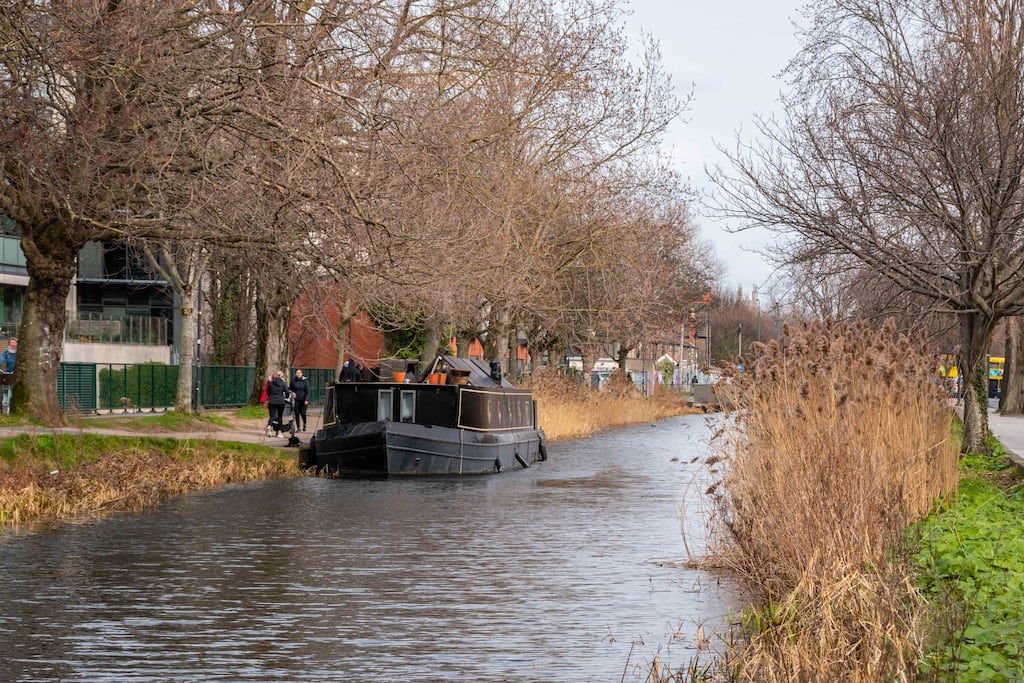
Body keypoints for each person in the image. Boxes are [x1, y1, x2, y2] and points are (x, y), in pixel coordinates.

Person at [265, 370, 289, 437]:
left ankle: (269, 426)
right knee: (280, 417)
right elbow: (287, 392)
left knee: (272, 416)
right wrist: (286, 397)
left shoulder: (271, 383)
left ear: (275, 375)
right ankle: (279, 432)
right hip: (280, 401)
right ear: (281, 376)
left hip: (272, 401)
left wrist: (271, 396)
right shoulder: (283, 383)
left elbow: (268, 392)